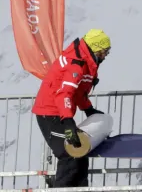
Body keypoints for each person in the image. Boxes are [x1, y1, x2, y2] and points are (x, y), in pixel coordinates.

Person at [31, 29, 111, 188]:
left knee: (80, 153)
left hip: (59, 112)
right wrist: (68, 122)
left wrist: (88, 109)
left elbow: (78, 91)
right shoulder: (76, 64)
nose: (105, 56)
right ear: (95, 48)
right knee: (69, 155)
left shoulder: (86, 60)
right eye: (104, 52)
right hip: (50, 113)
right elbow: (64, 94)